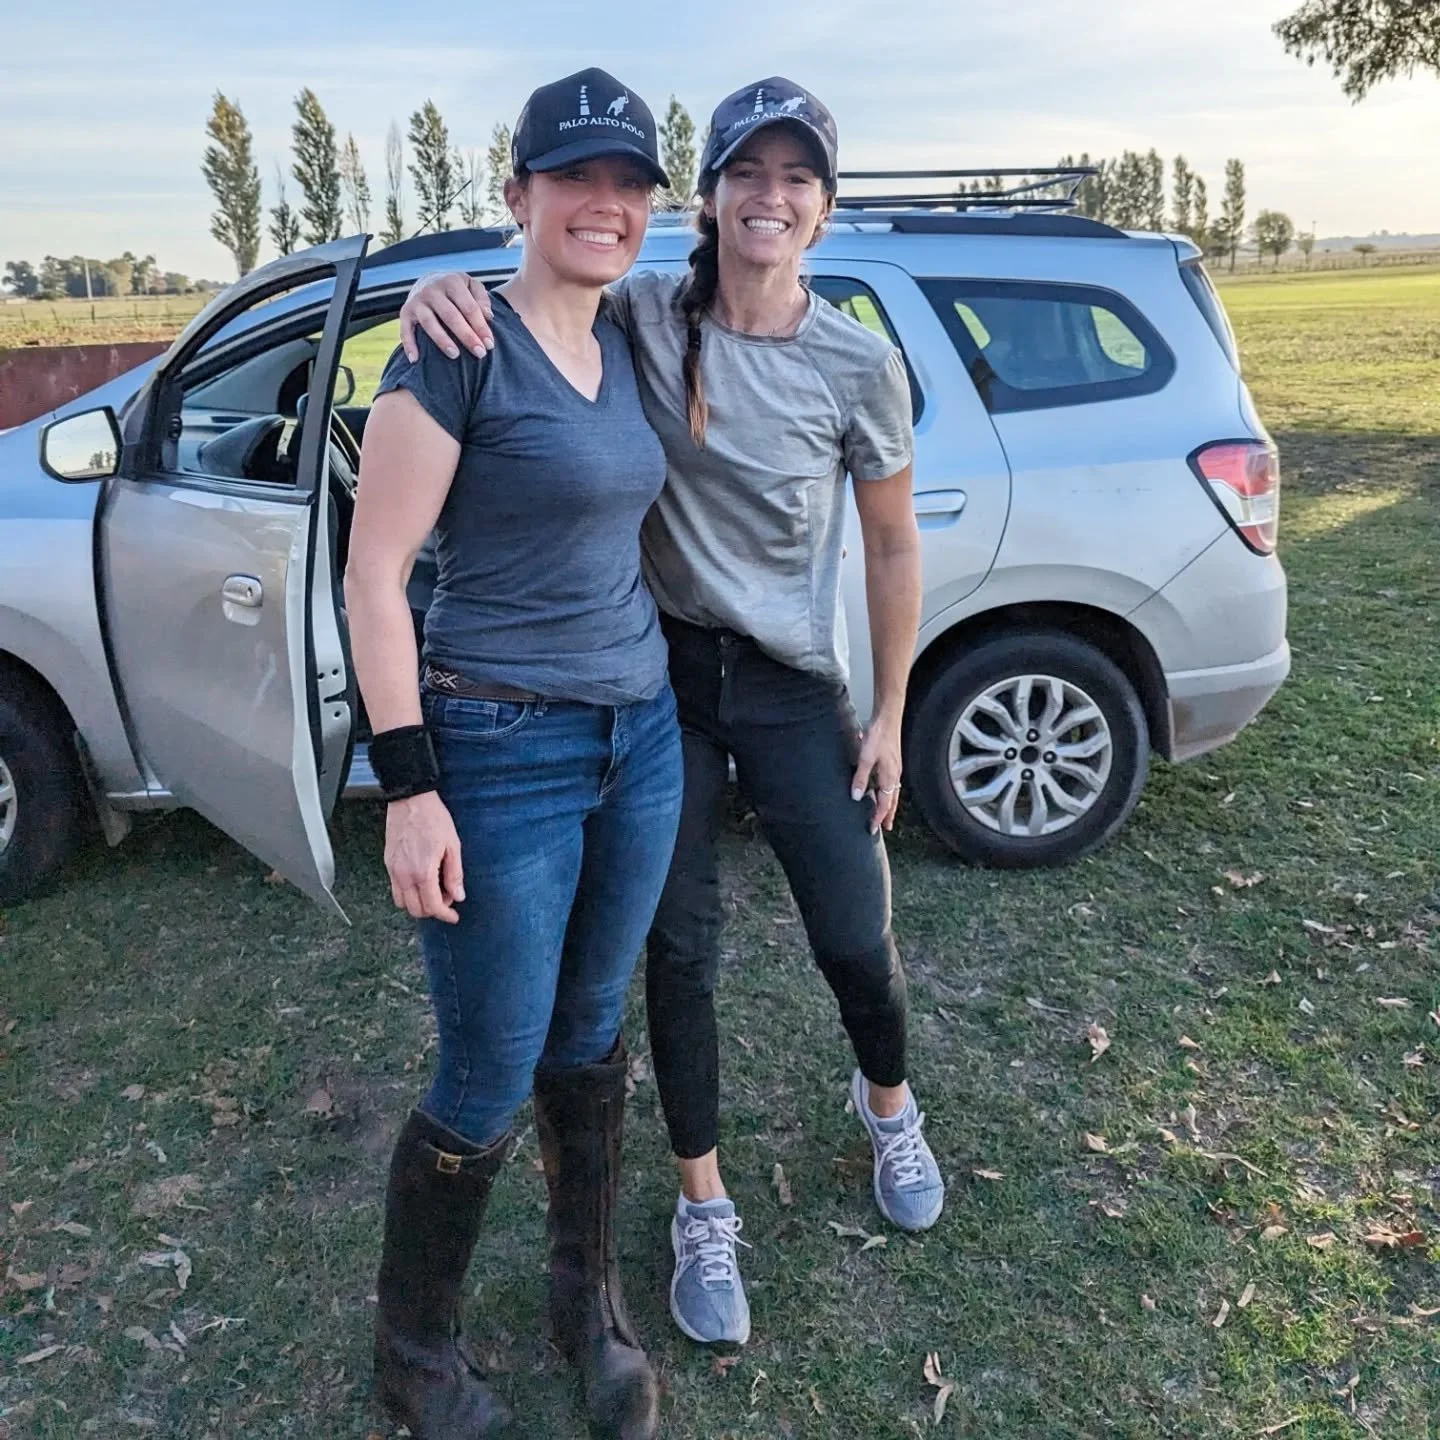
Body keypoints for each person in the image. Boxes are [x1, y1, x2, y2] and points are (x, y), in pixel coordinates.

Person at [400, 77, 945, 1353]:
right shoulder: (646, 310)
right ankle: (704, 1202)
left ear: (823, 205)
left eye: (796, 176)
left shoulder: (860, 361)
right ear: (706, 198)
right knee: (679, 953)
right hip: (661, 685)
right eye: (744, 173)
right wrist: (451, 292)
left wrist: (891, 715)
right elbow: (541, 298)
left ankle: (889, 1103)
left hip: (792, 684)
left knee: (854, 933)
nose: (770, 196)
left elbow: (893, 549)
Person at [346, 68, 681, 1440]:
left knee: (593, 1034)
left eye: (629, 185)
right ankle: (413, 1350)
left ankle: (580, 1301)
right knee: (488, 1066)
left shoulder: (637, 331)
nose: (605, 205)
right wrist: (410, 786)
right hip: (497, 749)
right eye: (576, 179)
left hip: (639, 740)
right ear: (520, 196)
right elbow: (375, 577)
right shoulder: (454, 344)